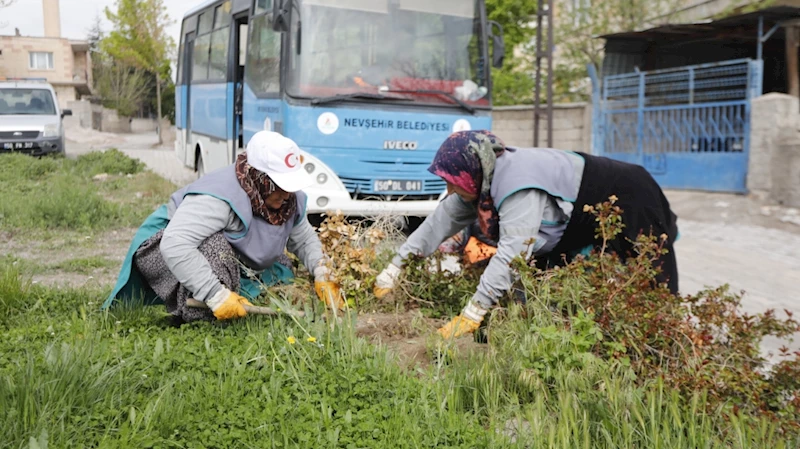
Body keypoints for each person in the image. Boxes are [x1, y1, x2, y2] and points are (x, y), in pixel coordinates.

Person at [373, 130, 679, 338]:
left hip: (628, 196)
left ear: (472, 172)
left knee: (650, 275)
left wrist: (474, 310)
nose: (449, 189)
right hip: (574, 217)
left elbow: (512, 254)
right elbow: (438, 223)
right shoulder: (481, 177)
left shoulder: (517, 185)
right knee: (541, 289)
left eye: (454, 181)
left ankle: (664, 341)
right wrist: (393, 269)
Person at [104, 131, 342, 322]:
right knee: (215, 248)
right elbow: (176, 244)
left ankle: (229, 289)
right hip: (167, 246)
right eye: (279, 186)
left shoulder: (289, 199)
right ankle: (200, 313)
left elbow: (302, 238)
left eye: (290, 186)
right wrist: (215, 295)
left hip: (216, 248)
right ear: (259, 178)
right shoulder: (219, 197)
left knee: (279, 262)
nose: (286, 194)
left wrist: (323, 273)